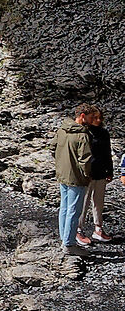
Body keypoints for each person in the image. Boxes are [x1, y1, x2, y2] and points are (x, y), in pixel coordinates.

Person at [55, 106, 104, 251]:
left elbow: (53, 148)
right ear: (82, 116)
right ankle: (69, 244)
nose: (92, 121)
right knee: (74, 211)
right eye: (90, 118)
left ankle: (64, 239)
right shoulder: (82, 135)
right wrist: (87, 175)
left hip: (63, 175)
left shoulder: (62, 130)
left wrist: (62, 166)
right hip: (77, 179)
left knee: (64, 208)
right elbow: (85, 160)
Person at [86, 108, 115, 242]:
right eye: (95, 118)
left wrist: (110, 170)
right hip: (88, 173)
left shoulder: (104, 133)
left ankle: (98, 228)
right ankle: (78, 229)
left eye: (100, 118)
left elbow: (107, 152)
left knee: (99, 202)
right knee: (84, 202)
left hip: (101, 171)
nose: (98, 120)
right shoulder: (85, 132)